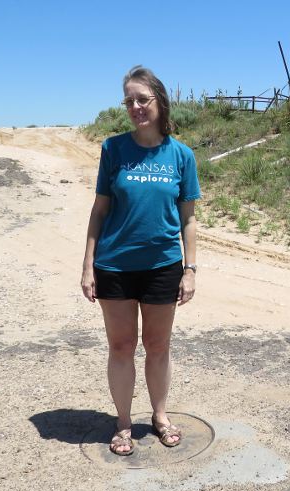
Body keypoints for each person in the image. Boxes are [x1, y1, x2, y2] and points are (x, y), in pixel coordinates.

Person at [80, 65, 200, 456]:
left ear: (160, 102)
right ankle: (124, 422)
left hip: (163, 265)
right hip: (114, 265)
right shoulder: (113, 149)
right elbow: (99, 210)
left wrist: (190, 270)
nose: (135, 107)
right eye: (128, 100)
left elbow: (188, 218)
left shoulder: (181, 155)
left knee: (158, 345)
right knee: (120, 346)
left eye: (142, 99)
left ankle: (160, 416)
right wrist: (87, 266)